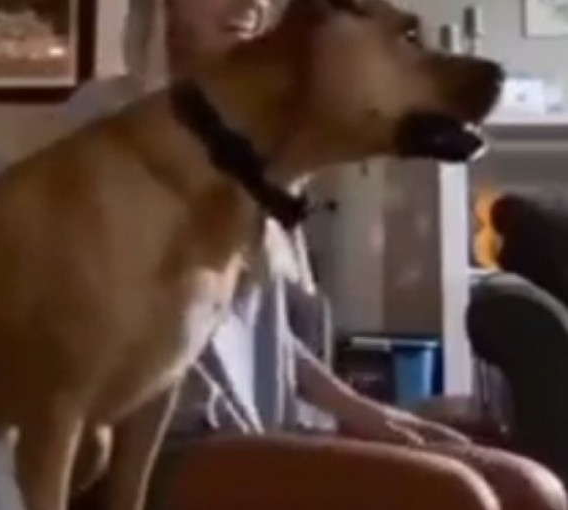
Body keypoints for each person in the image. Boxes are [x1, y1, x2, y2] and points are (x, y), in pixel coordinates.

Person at [62, 1, 567, 509]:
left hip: (266, 423)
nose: (249, 5)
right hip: (162, 442)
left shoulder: (265, 134)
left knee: (530, 490)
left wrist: (365, 412)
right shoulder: (110, 116)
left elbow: (263, 326)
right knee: (457, 497)